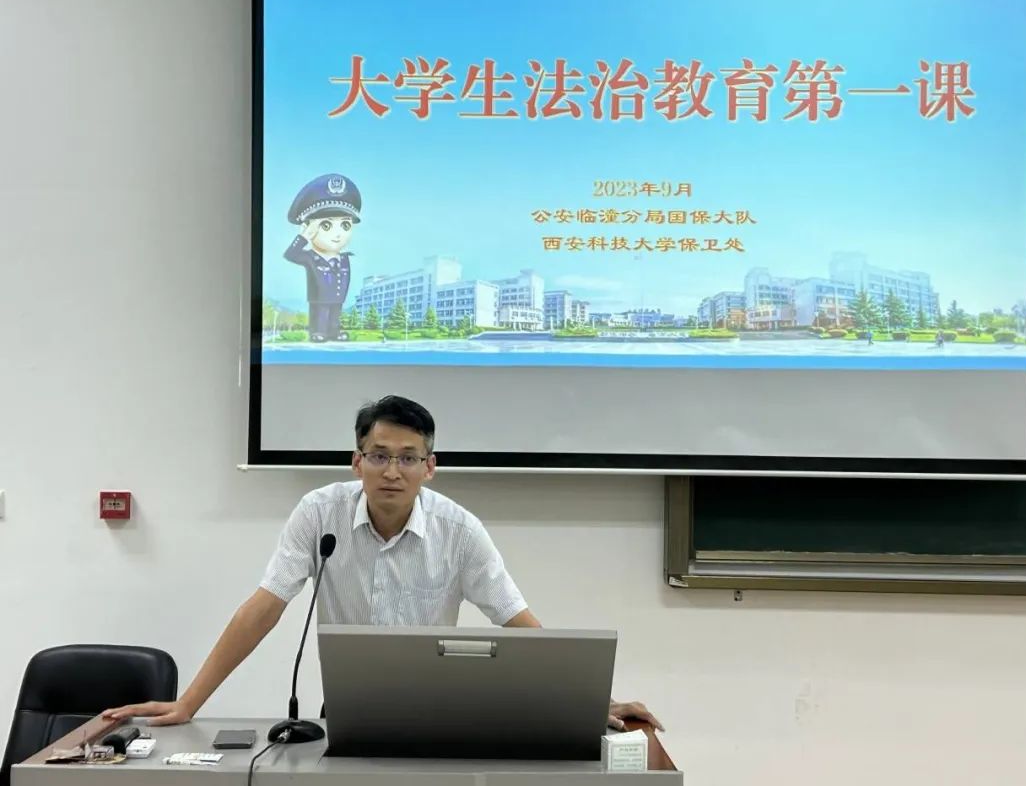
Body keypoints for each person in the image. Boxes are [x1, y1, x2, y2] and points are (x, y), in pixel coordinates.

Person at [105, 396, 662, 732]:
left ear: (429, 467)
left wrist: (589, 702)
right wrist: (190, 702)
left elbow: (517, 620)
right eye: (379, 456)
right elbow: (263, 608)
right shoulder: (318, 514)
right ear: (357, 462)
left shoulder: (459, 531)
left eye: (408, 458)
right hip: (349, 710)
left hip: (440, 711)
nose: (392, 471)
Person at [283, 173, 361, 342]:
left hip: (338, 298)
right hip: (318, 299)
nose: (337, 234)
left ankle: (334, 331)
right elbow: (290, 255)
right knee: (321, 313)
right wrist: (303, 237)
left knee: (335, 313)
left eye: (345, 225)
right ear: (307, 227)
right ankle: (318, 331)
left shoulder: (344, 258)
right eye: (326, 225)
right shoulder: (311, 257)